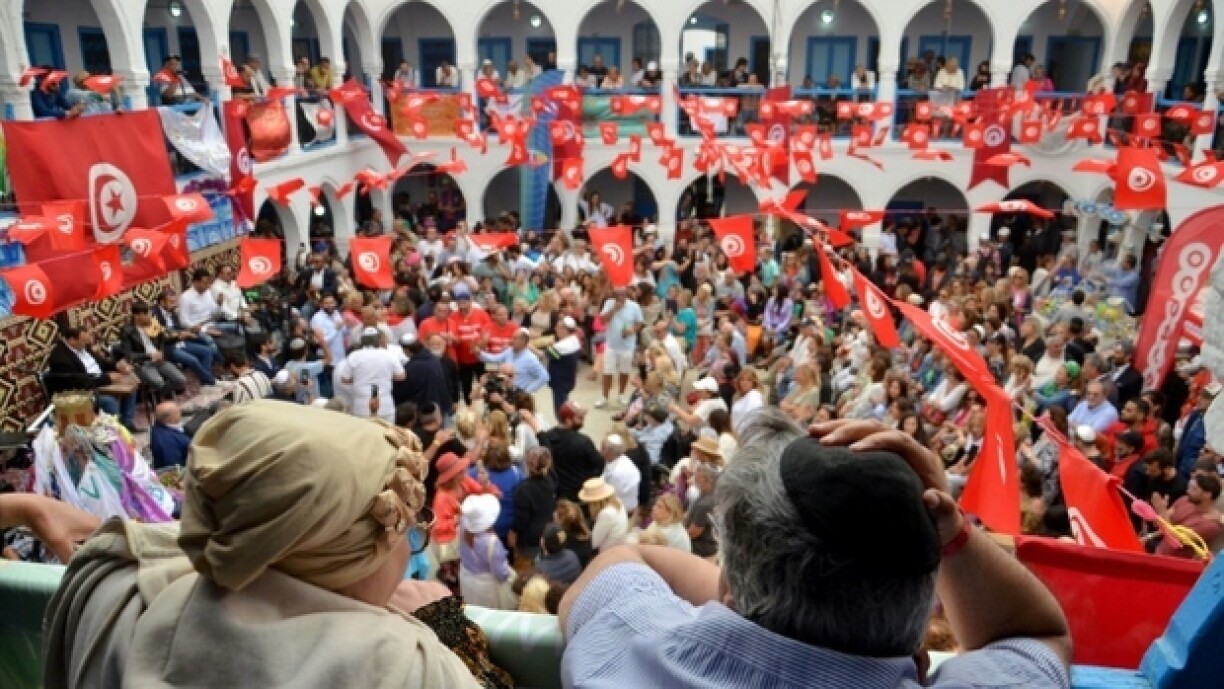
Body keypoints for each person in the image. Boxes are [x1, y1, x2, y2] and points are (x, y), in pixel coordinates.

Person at [559, 411, 1072, 687]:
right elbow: (1037, 634)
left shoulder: (625, 654)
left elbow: (626, 560)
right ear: (919, 645)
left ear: (728, 587)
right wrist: (952, 530)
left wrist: (741, 593)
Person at [44, 401, 480, 688]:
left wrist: (27, 508)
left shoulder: (114, 590)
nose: (408, 549)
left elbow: (156, 544)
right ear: (343, 562)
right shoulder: (402, 667)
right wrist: (444, 626)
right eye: (404, 531)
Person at [45, 325, 138, 430]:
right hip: (81, 392)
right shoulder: (60, 359)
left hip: (100, 381)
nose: (87, 344)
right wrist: (107, 378)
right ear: (71, 340)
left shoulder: (83, 347)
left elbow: (101, 362)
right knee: (109, 402)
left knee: (130, 385)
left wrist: (116, 366)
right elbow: (79, 383)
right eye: (83, 341)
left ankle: (127, 423)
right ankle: (116, 432)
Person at [117, 303, 188, 400]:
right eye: (146, 314)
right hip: (143, 363)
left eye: (150, 314)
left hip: (159, 361)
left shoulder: (154, 325)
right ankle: (160, 396)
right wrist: (150, 356)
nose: (150, 317)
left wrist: (177, 338)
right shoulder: (127, 331)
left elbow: (164, 341)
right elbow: (129, 355)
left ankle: (158, 395)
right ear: (137, 316)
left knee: (181, 380)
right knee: (158, 382)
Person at [458, 493, 516, 610]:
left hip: (466, 578)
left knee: (471, 612)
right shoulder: (492, 542)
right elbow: (501, 574)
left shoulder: (463, 523)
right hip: (485, 588)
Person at [539, 402, 606, 502]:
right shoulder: (583, 442)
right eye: (579, 418)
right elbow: (599, 465)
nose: (583, 420)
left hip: (558, 494)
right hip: (581, 494)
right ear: (568, 421)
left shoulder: (547, 438)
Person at [339, 327, 405, 421]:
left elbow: (345, 379)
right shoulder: (389, 355)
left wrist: (359, 378)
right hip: (385, 404)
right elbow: (401, 376)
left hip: (361, 406)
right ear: (378, 340)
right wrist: (386, 376)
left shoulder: (354, 356)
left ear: (362, 340)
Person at [1150, 474, 1222, 559]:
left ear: (1207, 495)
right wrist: (1161, 512)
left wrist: (1162, 510)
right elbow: (1157, 523)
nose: (1188, 491)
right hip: (1159, 550)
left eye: (1194, 489)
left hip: (1174, 563)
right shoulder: (1184, 500)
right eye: (1189, 487)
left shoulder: (1212, 526)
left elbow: (1175, 540)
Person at [596, 287, 644, 409]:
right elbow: (602, 320)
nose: (621, 297)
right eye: (618, 295)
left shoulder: (634, 306)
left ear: (627, 294)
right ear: (614, 295)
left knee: (624, 371)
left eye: (623, 294)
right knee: (607, 371)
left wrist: (632, 330)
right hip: (611, 344)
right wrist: (614, 309)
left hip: (627, 345)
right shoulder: (608, 303)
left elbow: (639, 323)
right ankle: (604, 397)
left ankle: (621, 394)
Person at [509, 447, 556, 565]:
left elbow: (521, 519)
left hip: (529, 540)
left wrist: (513, 532)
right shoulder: (552, 480)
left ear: (528, 465)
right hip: (547, 533)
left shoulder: (524, 489)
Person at [479, 328, 550, 395]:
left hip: (518, 395)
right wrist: (479, 353)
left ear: (523, 341)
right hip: (503, 392)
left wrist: (527, 391)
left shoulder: (531, 359)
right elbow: (494, 359)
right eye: (512, 337)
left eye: (515, 338)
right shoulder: (509, 351)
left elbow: (544, 376)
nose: (511, 340)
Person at [580, 477, 630, 553]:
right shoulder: (618, 501)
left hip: (608, 552)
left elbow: (594, 543)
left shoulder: (606, 514)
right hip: (620, 544)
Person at [546, 317, 583, 416]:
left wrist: (530, 346)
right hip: (568, 380)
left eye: (558, 327)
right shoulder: (575, 340)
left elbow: (545, 354)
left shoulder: (561, 346)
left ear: (565, 329)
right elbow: (558, 355)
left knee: (561, 411)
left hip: (559, 382)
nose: (555, 329)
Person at [600, 434, 642, 513]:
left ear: (609, 452)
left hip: (622, 507)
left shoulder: (618, 473)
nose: (600, 451)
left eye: (602, 448)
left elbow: (609, 494)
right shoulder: (618, 457)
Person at [149, 401, 191, 469]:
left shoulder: (159, 425)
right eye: (177, 412)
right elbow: (174, 467)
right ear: (169, 418)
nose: (180, 412)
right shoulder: (167, 442)